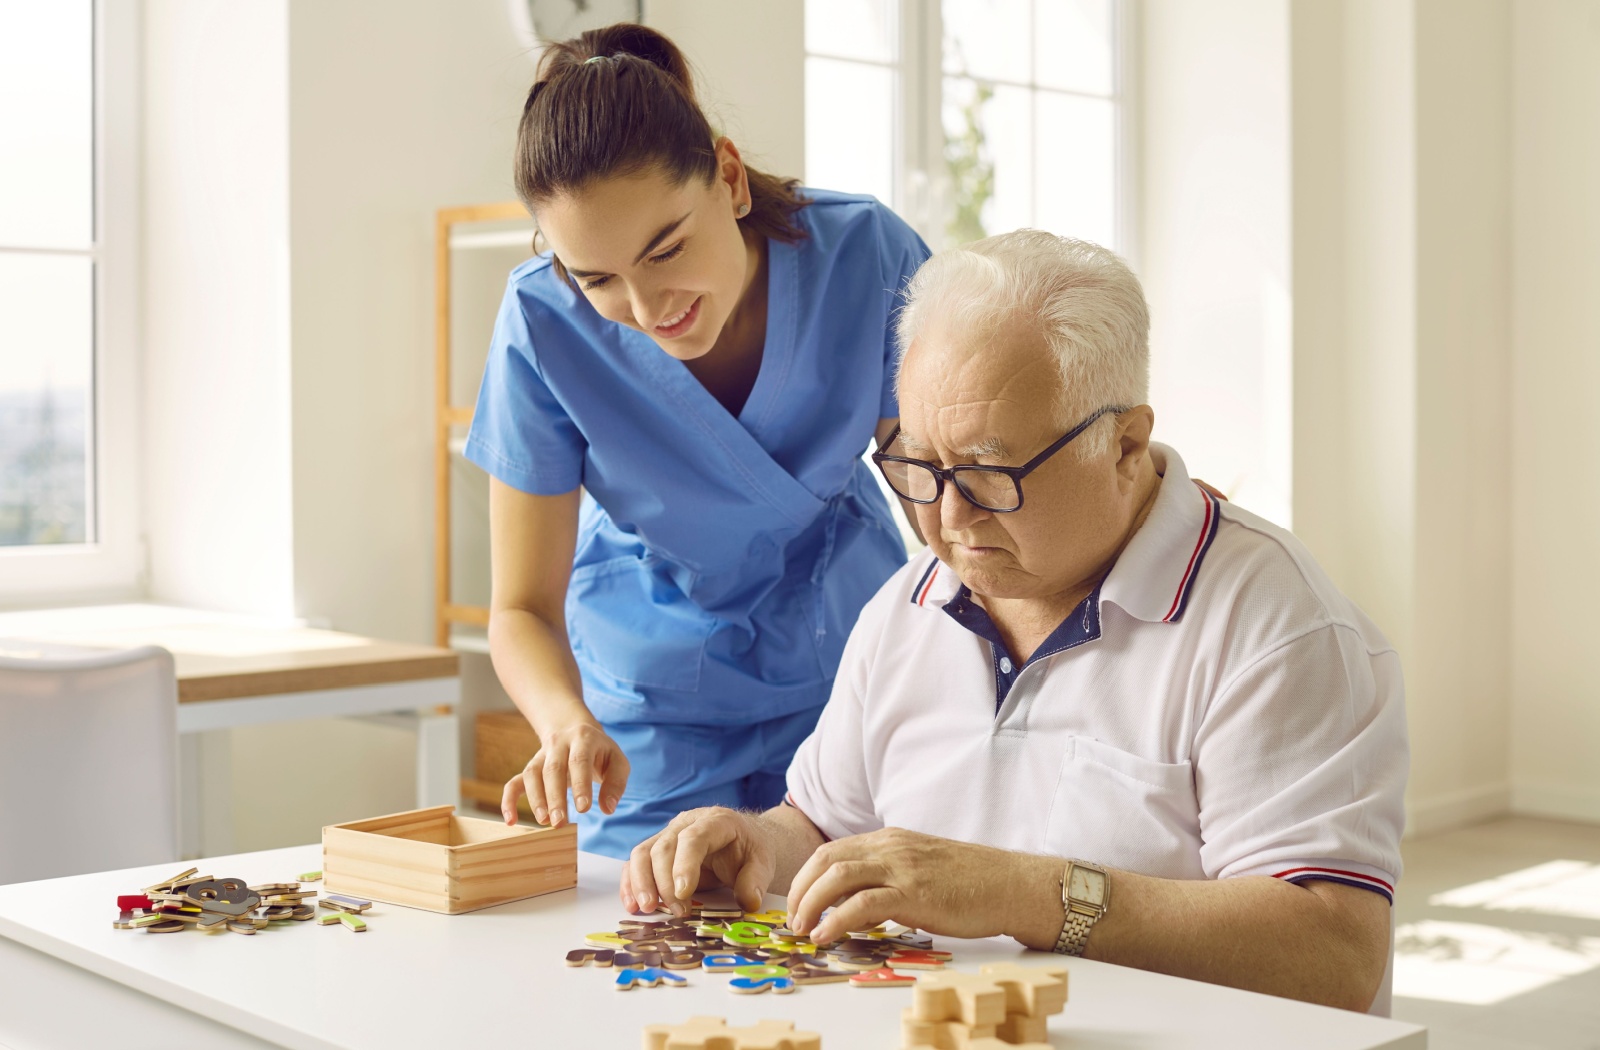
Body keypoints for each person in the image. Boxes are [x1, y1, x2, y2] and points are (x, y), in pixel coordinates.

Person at [619, 231, 1410, 1015]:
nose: (948, 518)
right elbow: (827, 826)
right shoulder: (907, 604)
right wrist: (758, 847)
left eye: (990, 474)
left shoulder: (1275, 626)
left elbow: (1335, 953)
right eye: (919, 467)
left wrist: (1026, 892)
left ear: (1124, 444)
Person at [464, 23, 930, 858]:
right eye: (598, 279)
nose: (647, 309)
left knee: (857, 941)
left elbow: (950, 509)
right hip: (654, 709)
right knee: (648, 933)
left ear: (728, 175)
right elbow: (521, 609)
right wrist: (565, 722)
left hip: (848, 676)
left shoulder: (867, 255)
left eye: (666, 248)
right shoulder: (541, 322)